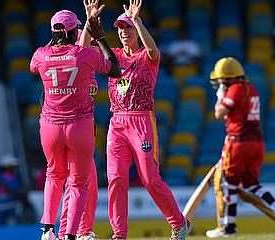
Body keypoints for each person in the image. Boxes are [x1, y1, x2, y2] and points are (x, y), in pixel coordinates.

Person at [80, 0, 192, 239]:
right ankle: (119, 234)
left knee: (150, 179)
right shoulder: (113, 56)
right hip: (117, 123)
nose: (123, 32)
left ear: (137, 31)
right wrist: (90, 22)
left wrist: (137, 20)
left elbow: (153, 50)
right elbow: (82, 52)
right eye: (120, 28)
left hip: (141, 121)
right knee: (116, 179)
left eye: (127, 27)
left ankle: (179, 223)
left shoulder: (146, 58)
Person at [29, 8, 120, 240]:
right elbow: (114, 69)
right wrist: (99, 37)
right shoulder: (84, 55)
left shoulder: (40, 54)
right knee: (79, 183)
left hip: (50, 126)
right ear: (73, 31)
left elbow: (34, 68)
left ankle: (48, 230)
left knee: (54, 175)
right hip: (80, 126)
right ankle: (71, 235)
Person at [205, 57, 275, 238]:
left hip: (238, 141)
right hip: (257, 142)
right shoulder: (251, 88)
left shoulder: (236, 89)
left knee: (227, 184)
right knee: (250, 184)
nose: (219, 83)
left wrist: (220, 96)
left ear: (227, 78)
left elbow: (218, 113)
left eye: (221, 80)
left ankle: (228, 228)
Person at [58, 29, 101, 240]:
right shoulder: (75, 64)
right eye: (91, 43)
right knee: (77, 183)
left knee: (87, 182)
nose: (95, 46)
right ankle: (74, 231)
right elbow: (80, 49)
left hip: (83, 132)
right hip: (69, 130)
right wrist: (87, 21)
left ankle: (77, 231)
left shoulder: (89, 68)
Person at [0, 154, 22, 225]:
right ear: (6, 167)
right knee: (2, 227)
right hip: (1, 207)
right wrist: (17, 193)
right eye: (12, 166)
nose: (14, 168)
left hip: (14, 205)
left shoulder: (16, 176)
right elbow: (7, 190)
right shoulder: (0, 178)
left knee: (18, 224)